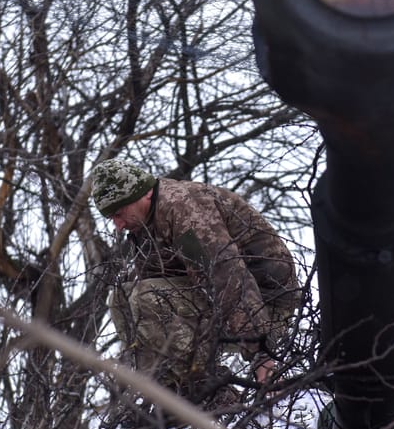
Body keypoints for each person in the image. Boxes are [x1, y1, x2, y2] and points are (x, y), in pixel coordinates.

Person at [91, 157, 300, 399]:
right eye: (111, 218)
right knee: (120, 299)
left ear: (144, 193)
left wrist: (261, 353)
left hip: (268, 305)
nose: (118, 225)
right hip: (219, 302)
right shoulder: (144, 224)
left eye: (119, 213)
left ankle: (211, 394)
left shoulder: (183, 209)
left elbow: (227, 277)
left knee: (145, 297)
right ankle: (168, 397)